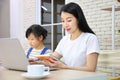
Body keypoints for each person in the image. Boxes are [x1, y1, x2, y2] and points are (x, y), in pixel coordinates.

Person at [45, 2, 100, 72]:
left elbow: (90, 68)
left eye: (69, 20)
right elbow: (52, 58)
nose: (65, 24)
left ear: (78, 19)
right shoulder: (64, 40)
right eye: (63, 21)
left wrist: (64, 67)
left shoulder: (90, 38)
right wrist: (38, 62)